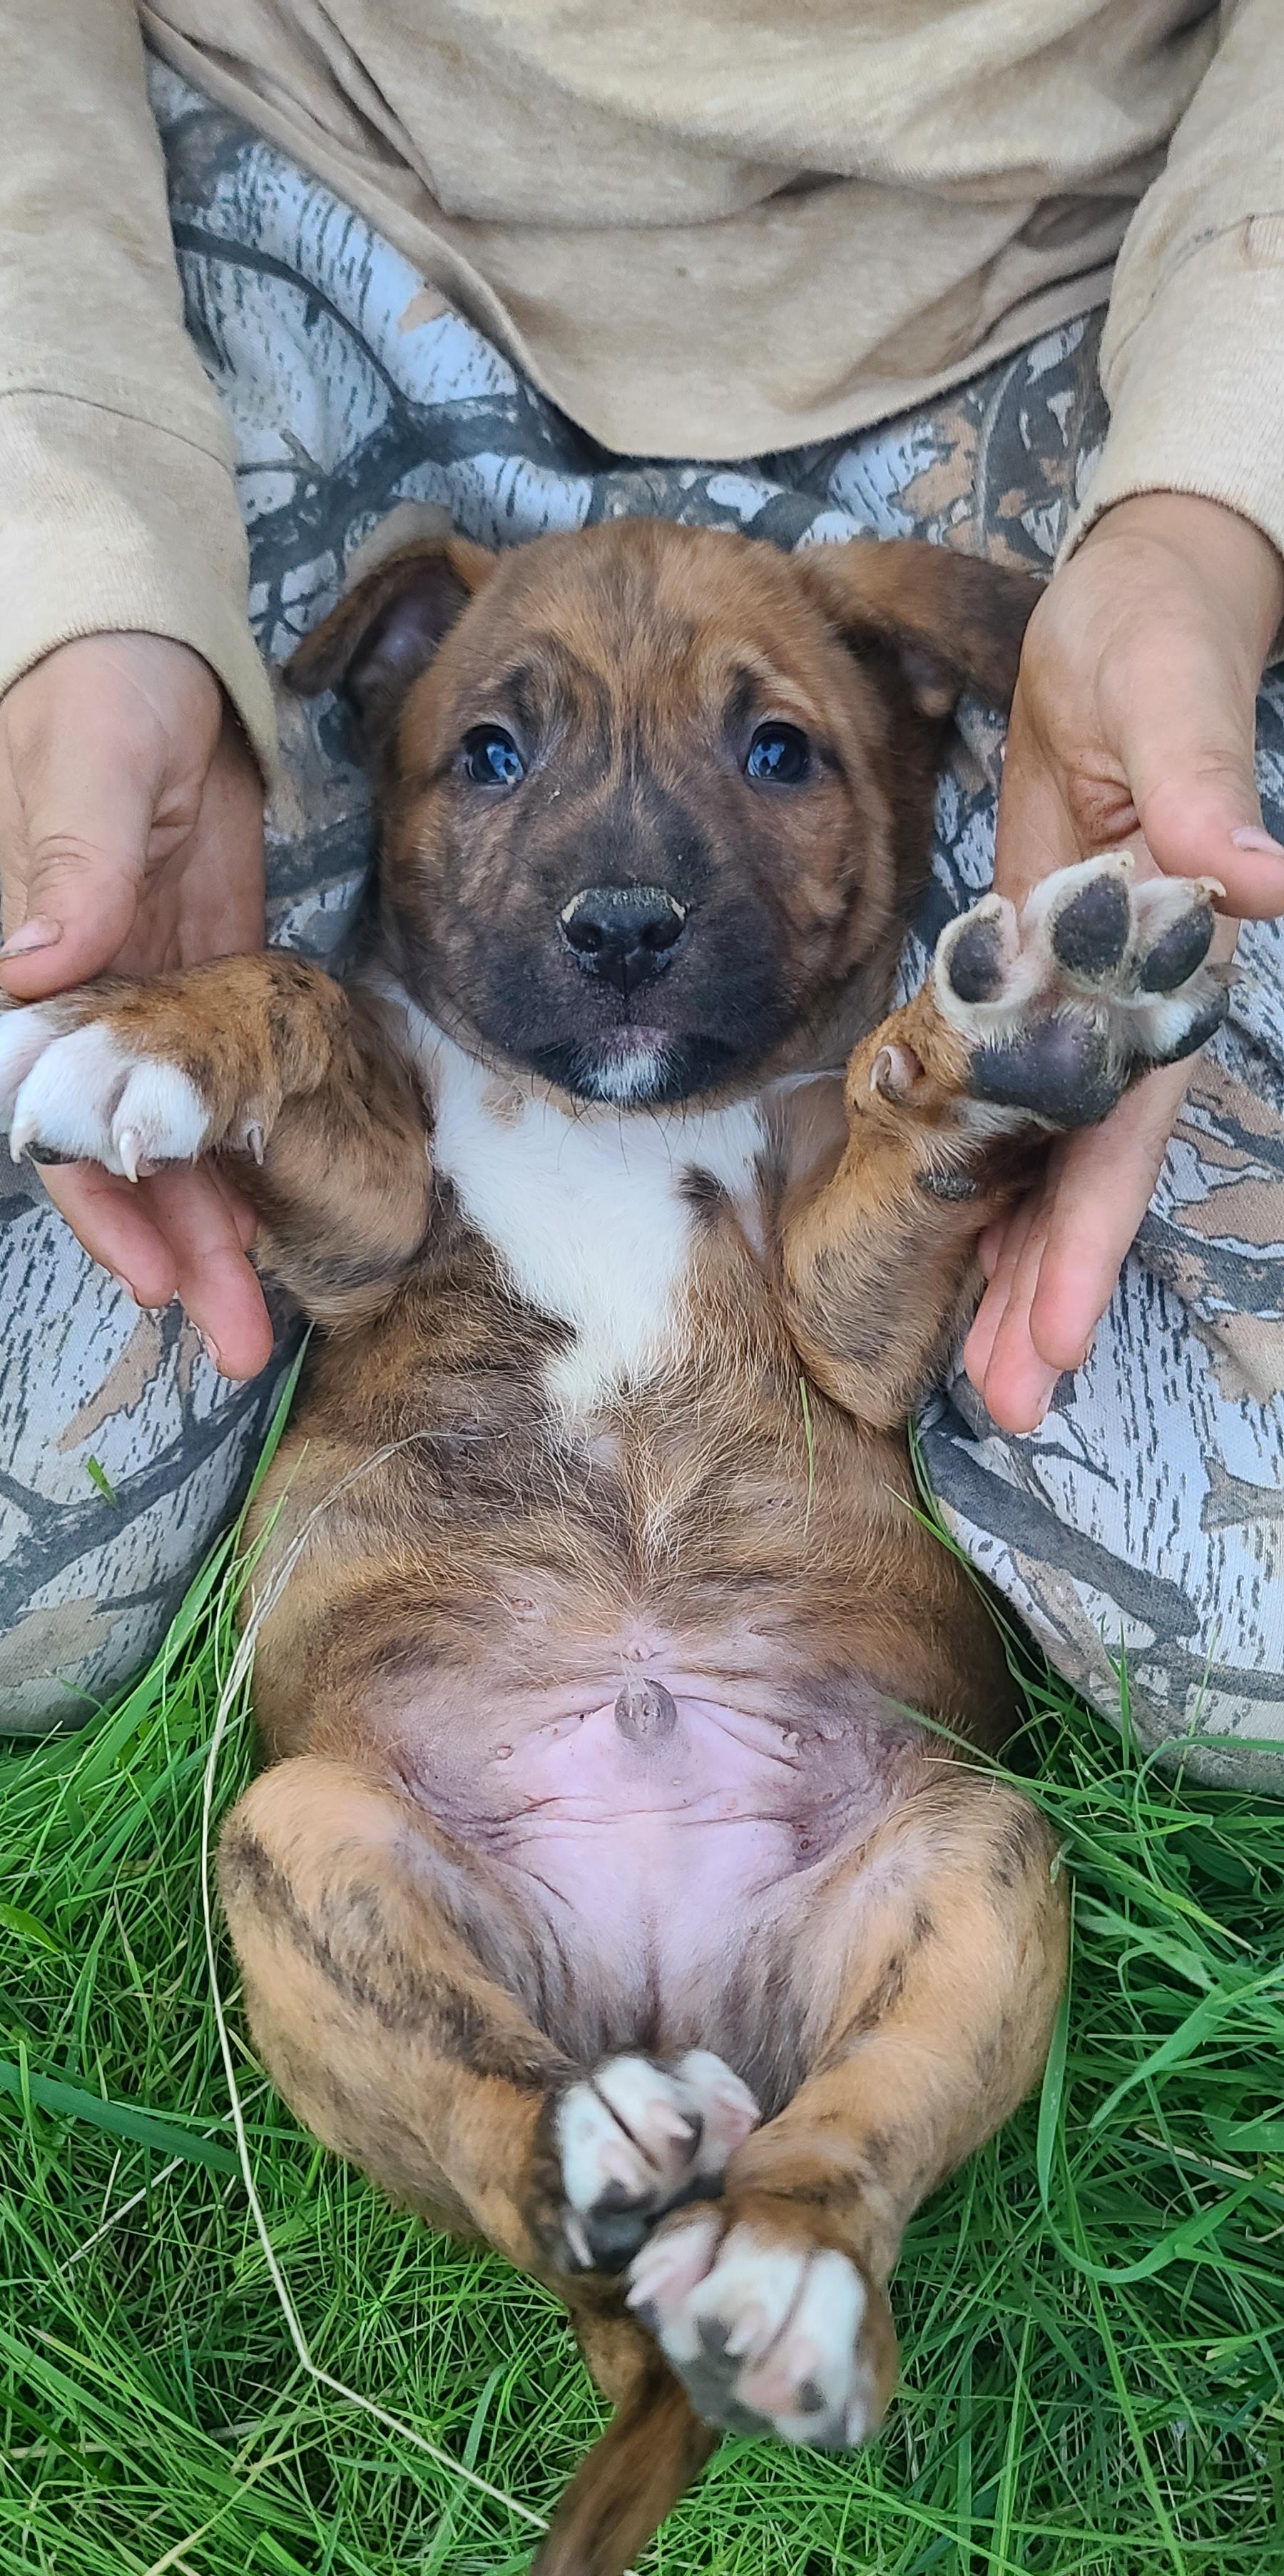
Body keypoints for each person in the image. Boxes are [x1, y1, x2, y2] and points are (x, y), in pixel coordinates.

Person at [1, 2, 1282, 1775]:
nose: (623, 901)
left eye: (771, 755)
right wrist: (87, 575)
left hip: (1019, 266)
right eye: (499, 757)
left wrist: (1197, 523)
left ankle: (992, 1030)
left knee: (1257, 1626)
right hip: (317, 171)